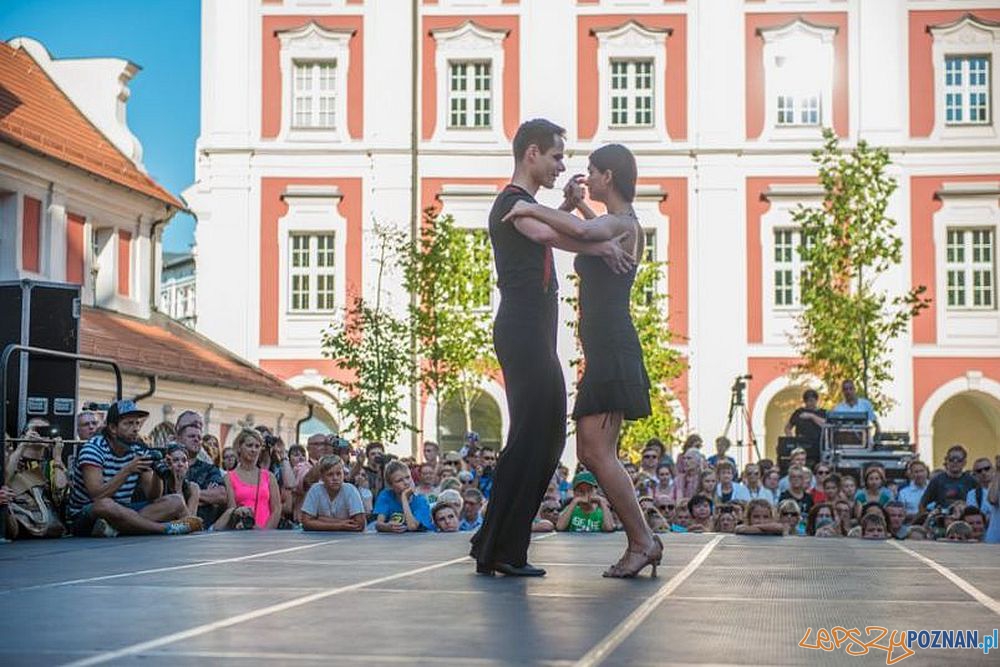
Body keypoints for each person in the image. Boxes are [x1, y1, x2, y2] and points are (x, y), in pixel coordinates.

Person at [470, 120, 634, 578]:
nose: (562, 165)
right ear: (532, 154)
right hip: (522, 329)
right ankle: (502, 547)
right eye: (557, 156)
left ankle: (495, 542)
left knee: (536, 436)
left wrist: (567, 208)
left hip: (533, 330)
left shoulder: (527, 205)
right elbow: (545, 236)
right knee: (536, 438)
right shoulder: (514, 204)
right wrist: (600, 247)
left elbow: (548, 229)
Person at [505, 143, 660, 576]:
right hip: (607, 347)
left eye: (591, 171)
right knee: (595, 452)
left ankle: (643, 541)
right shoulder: (621, 223)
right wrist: (575, 208)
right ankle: (643, 540)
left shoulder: (622, 222)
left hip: (611, 348)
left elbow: (590, 236)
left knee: (595, 452)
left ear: (608, 177)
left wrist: (527, 210)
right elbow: (591, 232)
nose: (585, 177)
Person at [66, 400, 201, 536]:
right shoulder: (93, 449)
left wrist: (157, 474)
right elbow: (97, 496)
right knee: (105, 504)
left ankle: (116, 529)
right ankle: (163, 528)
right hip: (87, 515)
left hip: (123, 512)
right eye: (129, 423)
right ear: (113, 428)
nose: (135, 428)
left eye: (137, 423)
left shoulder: (139, 449)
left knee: (175, 501)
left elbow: (153, 496)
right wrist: (127, 470)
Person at [215, 429, 281, 530]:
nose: (253, 450)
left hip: (267, 536)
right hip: (241, 533)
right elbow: (232, 509)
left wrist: (266, 531)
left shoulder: (269, 477)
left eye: (257, 446)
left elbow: (276, 509)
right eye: (249, 445)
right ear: (239, 448)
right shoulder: (229, 477)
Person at [176, 420, 226, 528]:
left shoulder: (210, 469)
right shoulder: (171, 465)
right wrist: (204, 496)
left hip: (204, 532)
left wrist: (186, 494)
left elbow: (221, 495)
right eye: (191, 436)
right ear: (179, 439)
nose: (196, 440)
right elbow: (167, 499)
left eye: (199, 438)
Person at [300, 456, 366, 532]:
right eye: (330, 474)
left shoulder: (350, 490)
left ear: (343, 474)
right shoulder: (315, 490)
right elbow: (305, 522)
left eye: (339, 474)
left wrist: (321, 519)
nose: (335, 478)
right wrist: (339, 525)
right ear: (322, 477)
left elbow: (359, 524)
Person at [374, 460, 433, 533]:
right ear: (391, 486)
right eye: (399, 480)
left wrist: (404, 498)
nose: (406, 482)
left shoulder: (421, 500)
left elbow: (412, 526)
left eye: (408, 477)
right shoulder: (386, 495)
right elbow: (378, 524)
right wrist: (387, 527)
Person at [920, 445, 977, 512]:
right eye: (951, 459)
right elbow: (922, 505)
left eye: (959, 460)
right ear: (946, 461)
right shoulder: (937, 480)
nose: (955, 462)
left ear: (964, 462)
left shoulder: (972, 481)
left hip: (965, 519)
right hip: (942, 520)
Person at [163, 444, 200, 517]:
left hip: (181, 526)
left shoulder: (193, 487)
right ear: (168, 463)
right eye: (175, 460)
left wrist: (178, 487)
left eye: (184, 460)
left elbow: (190, 521)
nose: (180, 464)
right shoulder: (160, 484)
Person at [965, 457, 994, 522]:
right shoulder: (972, 494)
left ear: (993, 469)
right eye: (979, 471)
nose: (983, 472)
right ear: (975, 475)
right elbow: (973, 519)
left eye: (987, 468)